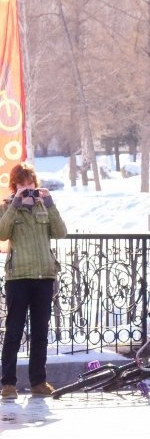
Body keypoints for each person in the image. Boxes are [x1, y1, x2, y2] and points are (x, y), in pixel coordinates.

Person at [0, 162, 68, 398]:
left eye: (30, 184)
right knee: (14, 331)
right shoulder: (7, 207)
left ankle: (38, 381)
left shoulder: (43, 207)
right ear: (14, 186)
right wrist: (15, 204)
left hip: (44, 276)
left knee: (41, 331)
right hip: (18, 276)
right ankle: (7, 384)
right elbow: (2, 233)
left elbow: (60, 232)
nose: (27, 189)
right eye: (22, 185)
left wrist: (50, 204)